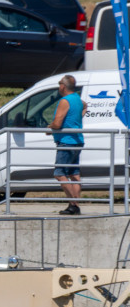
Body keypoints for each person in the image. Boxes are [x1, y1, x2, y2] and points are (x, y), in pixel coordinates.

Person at [49, 74, 87, 215]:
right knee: (74, 173)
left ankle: (73, 204)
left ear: (63, 86)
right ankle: (75, 205)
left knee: (59, 173)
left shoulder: (65, 101)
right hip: (77, 141)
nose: (59, 86)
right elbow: (85, 106)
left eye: (59, 83)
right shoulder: (77, 99)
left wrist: (51, 126)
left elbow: (57, 123)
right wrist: (76, 121)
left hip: (66, 141)